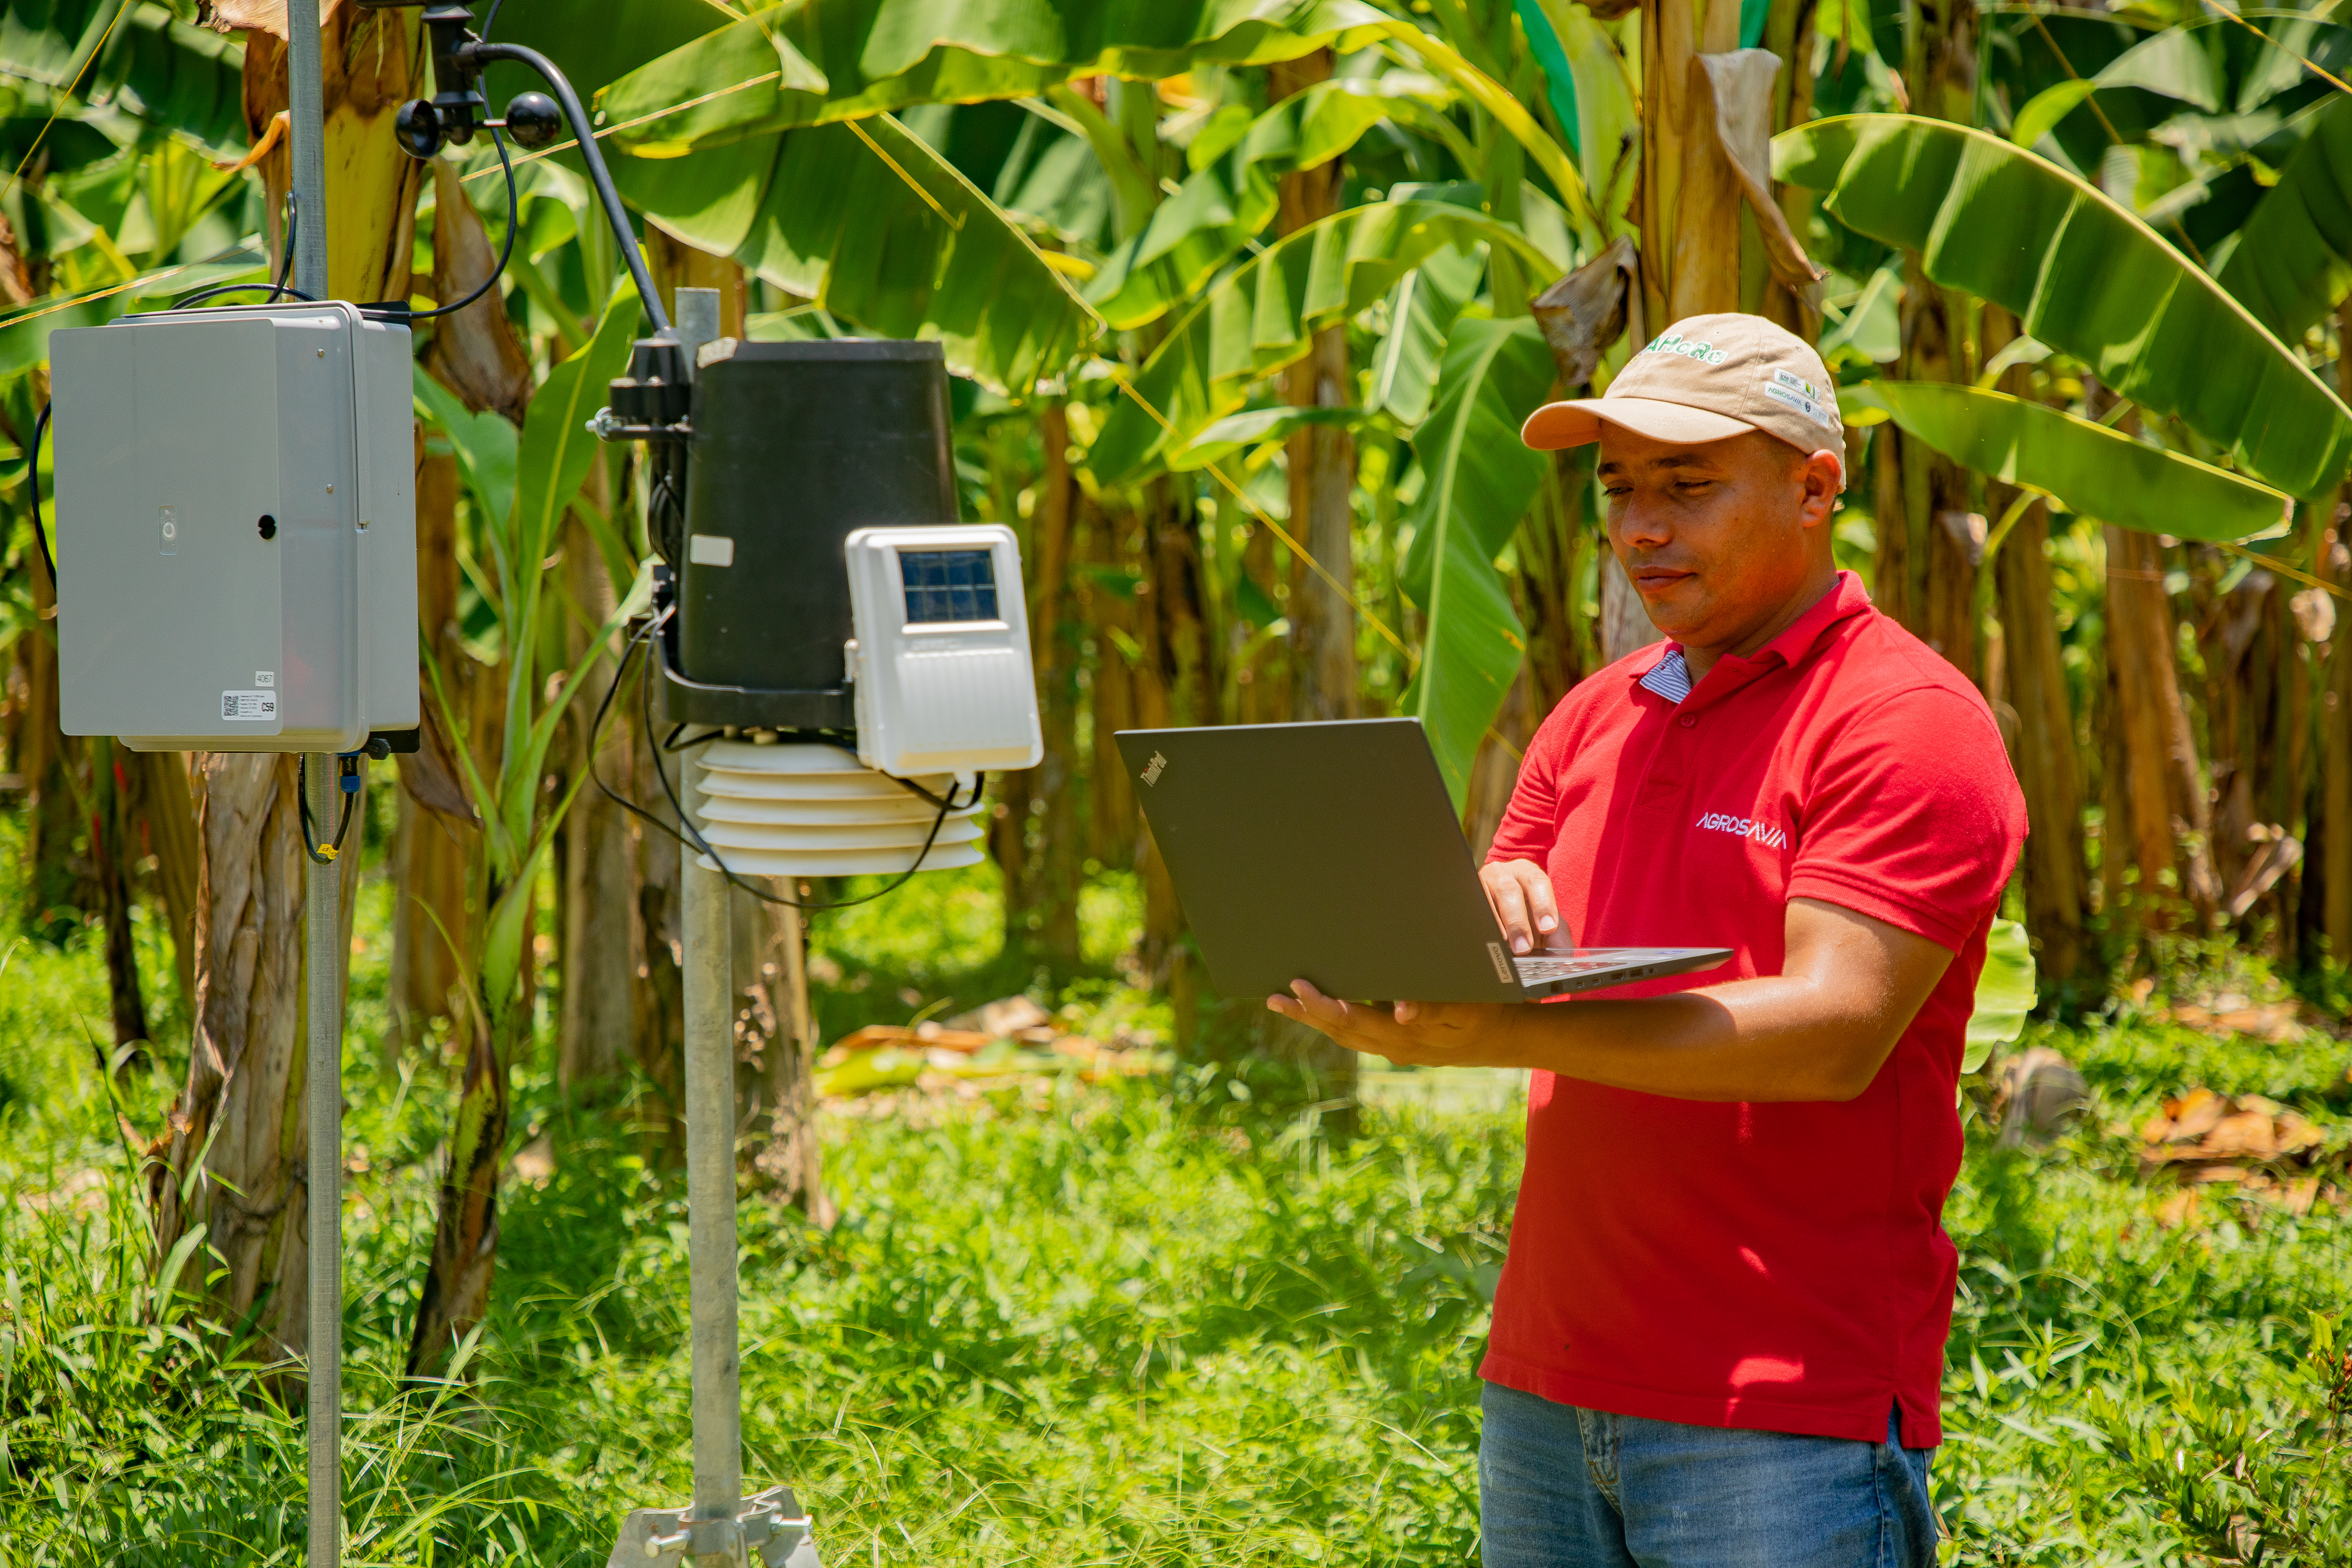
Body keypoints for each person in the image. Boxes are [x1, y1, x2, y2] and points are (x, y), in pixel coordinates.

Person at [1268, 313, 2026, 1567]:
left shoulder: (1905, 722)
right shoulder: (1593, 715)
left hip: (1782, 1408)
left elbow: (1835, 1034)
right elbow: (1504, 914)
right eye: (1618, 489)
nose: (1641, 528)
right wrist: (1454, 942)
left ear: (1814, 488)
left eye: (1689, 486)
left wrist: (1492, 1033)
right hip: (1546, 1385)